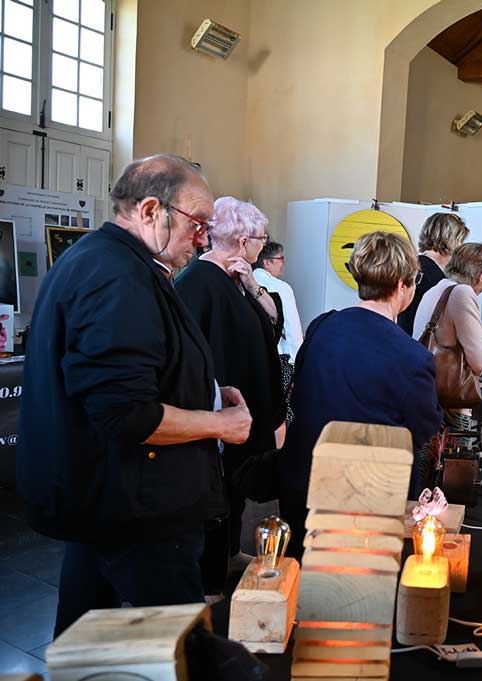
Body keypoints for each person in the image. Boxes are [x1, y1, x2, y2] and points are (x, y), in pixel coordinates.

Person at [16, 154, 252, 635]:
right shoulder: (116, 276)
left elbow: (136, 370)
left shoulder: (107, 260)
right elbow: (126, 414)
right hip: (136, 513)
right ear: (149, 211)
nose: (203, 239)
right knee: (176, 651)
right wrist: (219, 425)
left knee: (88, 641)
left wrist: (204, 391)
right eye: (197, 223)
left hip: (110, 503)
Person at [279, 231, 443, 558]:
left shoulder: (322, 327)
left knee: (297, 577)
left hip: (305, 483)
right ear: (402, 285)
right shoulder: (413, 357)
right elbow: (423, 429)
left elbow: (299, 396)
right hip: (367, 500)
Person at [175, 197, 285, 592]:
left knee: (237, 486)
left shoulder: (239, 278)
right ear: (242, 241)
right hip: (220, 407)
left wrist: (253, 285)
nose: (263, 245)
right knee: (218, 490)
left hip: (245, 403)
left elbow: (272, 324)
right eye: (261, 239)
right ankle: (209, 579)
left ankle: (229, 553)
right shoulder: (197, 282)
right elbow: (189, 351)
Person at [412, 242, 482, 483]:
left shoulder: (434, 290)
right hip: (450, 405)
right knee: (451, 480)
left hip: (426, 394)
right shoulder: (462, 293)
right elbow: (479, 362)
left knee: (423, 477)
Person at [254, 240, 303, 428]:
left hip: (253, 356)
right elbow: (292, 328)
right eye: (281, 259)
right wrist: (299, 364)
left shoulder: (243, 282)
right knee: (282, 413)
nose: (283, 263)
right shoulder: (281, 288)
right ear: (267, 262)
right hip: (280, 358)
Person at [397, 213, 469, 335]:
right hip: (416, 343)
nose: (461, 246)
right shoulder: (434, 278)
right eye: (460, 240)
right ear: (451, 240)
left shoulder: (413, 265)